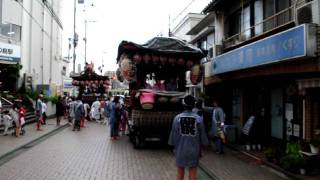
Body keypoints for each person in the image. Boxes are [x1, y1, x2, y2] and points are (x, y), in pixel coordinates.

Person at [168, 95, 208, 180]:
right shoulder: (198, 119)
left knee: (180, 172)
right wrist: (204, 145)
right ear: (193, 105)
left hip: (180, 150)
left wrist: (173, 147)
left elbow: (173, 137)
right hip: (194, 150)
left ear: (183, 105)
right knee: (192, 172)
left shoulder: (177, 118)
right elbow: (203, 137)